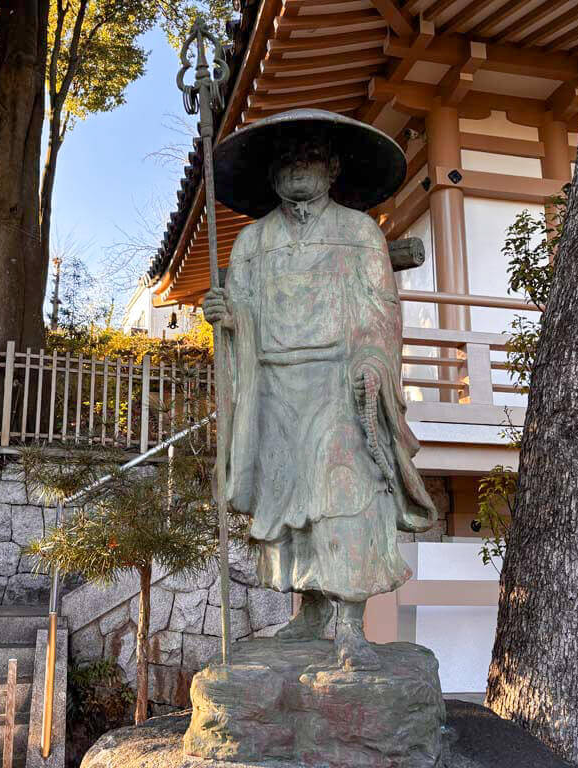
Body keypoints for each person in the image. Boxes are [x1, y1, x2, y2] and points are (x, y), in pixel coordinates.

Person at [202, 109, 438, 671]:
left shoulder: (359, 232)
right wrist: (227, 316)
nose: (296, 169)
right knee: (286, 502)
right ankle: (307, 613)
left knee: (341, 495)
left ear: (333, 168)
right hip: (274, 386)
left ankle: (351, 626)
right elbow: (241, 311)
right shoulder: (252, 242)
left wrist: (371, 360)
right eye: (285, 160)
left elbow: (380, 310)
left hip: (338, 382)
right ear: (271, 175)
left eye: (309, 157)